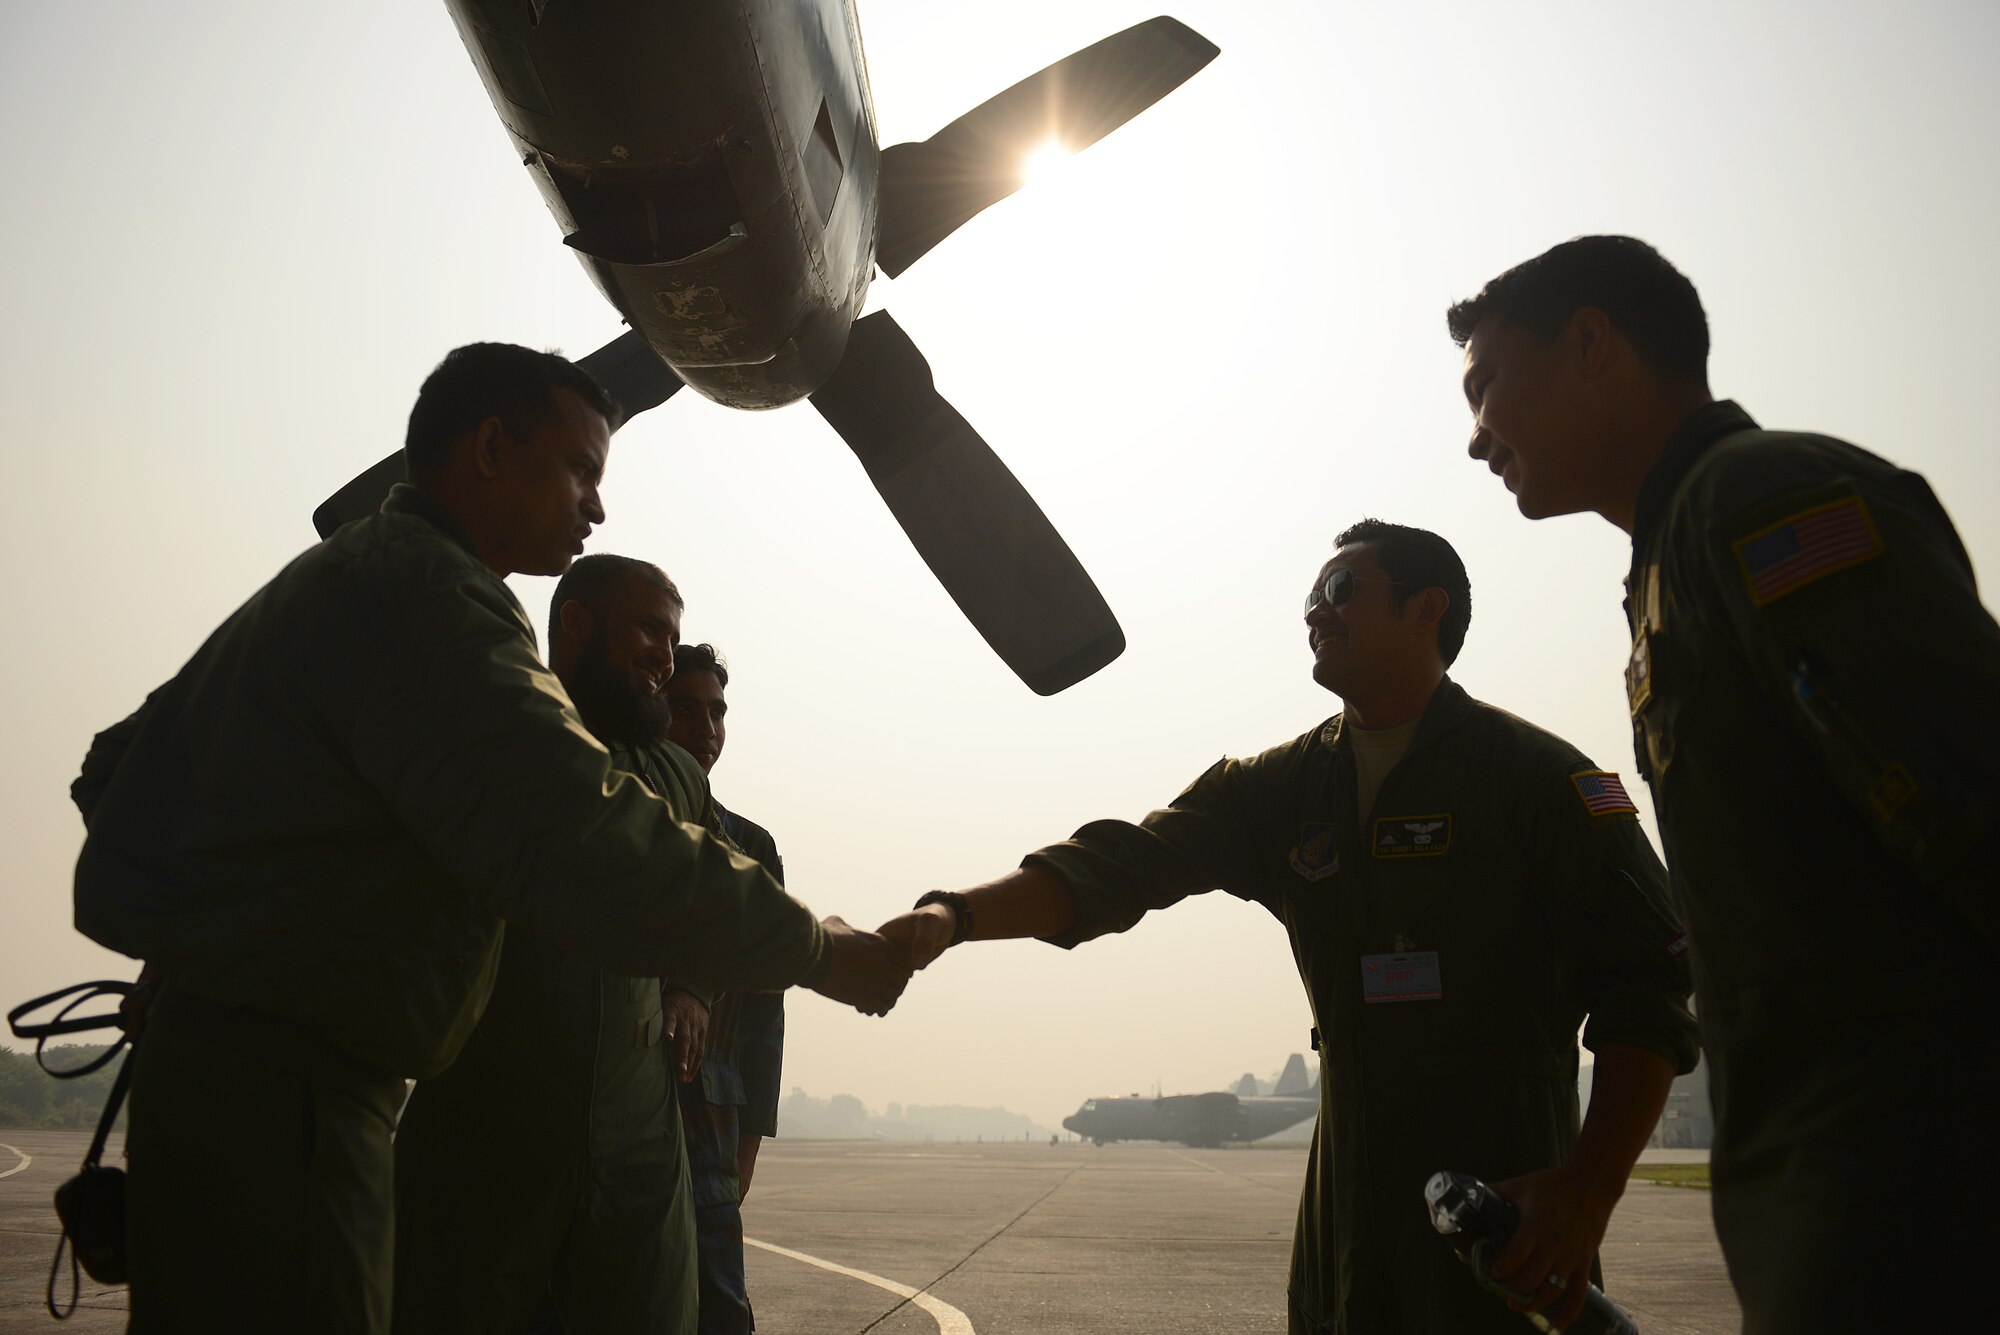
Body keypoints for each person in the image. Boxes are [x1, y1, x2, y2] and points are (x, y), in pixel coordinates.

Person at [68, 343, 907, 1334]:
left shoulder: (354, 576)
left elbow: (123, 768)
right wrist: (819, 950)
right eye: (580, 470)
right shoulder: (427, 596)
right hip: (286, 1096)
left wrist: (210, 935)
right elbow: (581, 832)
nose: (596, 506)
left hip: (260, 1080)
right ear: (492, 449)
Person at [879, 520, 1699, 1335]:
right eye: (1310, 597)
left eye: (1341, 589)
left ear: (1427, 609)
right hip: (1342, 1242)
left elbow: (1652, 987)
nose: (1316, 611)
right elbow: (1127, 861)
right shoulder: (1284, 787)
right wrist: (954, 915)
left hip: (1499, 1226)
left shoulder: (1541, 781)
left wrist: (1587, 1192)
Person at [1447, 234, 2000, 1333]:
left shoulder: (1759, 500)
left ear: (1590, 343)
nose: (1474, 436)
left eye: (1486, 384)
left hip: (1917, 1190)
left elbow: (1966, 795)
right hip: (1834, 1190)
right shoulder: (1673, 559)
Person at [393, 554, 742, 1333]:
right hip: (485, 1124)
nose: (665, 655)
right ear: (575, 625)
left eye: (674, 636)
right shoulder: (493, 738)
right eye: (648, 629)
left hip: (637, 1133)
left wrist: (692, 987)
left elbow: (718, 900)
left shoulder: (675, 776)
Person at [663, 642, 785, 1335]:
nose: (705, 729)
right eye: (684, 709)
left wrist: (749, 1145)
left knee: (719, 1308)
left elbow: (765, 1016)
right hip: (621, 1108)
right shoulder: (610, 824)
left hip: (712, 1120)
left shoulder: (750, 848)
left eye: (717, 712)